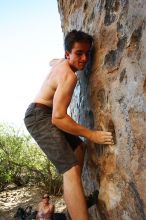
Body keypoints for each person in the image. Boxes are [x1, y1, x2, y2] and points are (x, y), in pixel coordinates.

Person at [24, 30, 114, 220]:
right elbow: (58, 118)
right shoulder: (69, 76)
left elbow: (52, 61)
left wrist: (57, 60)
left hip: (44, 113)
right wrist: (92, 134)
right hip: (39, 117)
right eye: (79, 53)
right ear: (68, 54)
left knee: (78, 148)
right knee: (70, 168)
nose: (84, 59)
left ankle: (74, 200)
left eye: (87, 53)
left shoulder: (61, 64)